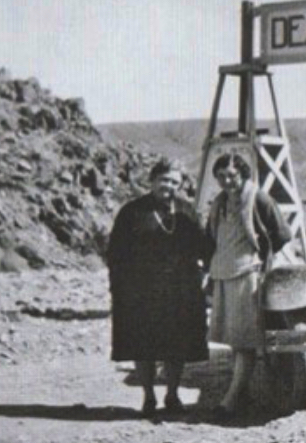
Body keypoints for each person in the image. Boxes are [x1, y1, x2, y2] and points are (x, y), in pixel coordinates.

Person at [107, 158, 211, 418]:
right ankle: (149, 397)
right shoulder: (132, 212)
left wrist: (205, 274)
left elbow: (203, 246)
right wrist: (118, 288)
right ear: (152, 180)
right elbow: (116, 253)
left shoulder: (186, 210)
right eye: (164, 180)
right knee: (143, 345)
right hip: (141, 291)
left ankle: (172, 395)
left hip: (180, 290)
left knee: (177, 346)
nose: (169, 186)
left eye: (175, 182)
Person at [207, 152, 292, 421]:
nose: (226, 181)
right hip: (224, 274)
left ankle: (230, 401)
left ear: (243, 174)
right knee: (234, 338)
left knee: (245, 339)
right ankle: (242, 393)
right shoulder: (219, 202)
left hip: (248, 274)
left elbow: (282, 234)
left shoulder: (259, 199)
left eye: (232, 175)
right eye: (221, 176)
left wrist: (261, 258)